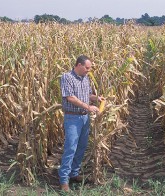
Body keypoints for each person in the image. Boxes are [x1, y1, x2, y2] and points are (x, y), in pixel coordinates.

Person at [59, 55, 103, 192]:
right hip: (73, 118)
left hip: (85, 118)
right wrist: (88, 107)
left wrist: (97, 98)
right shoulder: (67, 77)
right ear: (78, 65)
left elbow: (87, 95)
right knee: (70, 148)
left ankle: (74, 173)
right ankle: (64, 180)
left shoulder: (85, 78)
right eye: (87, 68)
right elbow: (70, 97)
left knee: (82, 146)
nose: (88, 71)